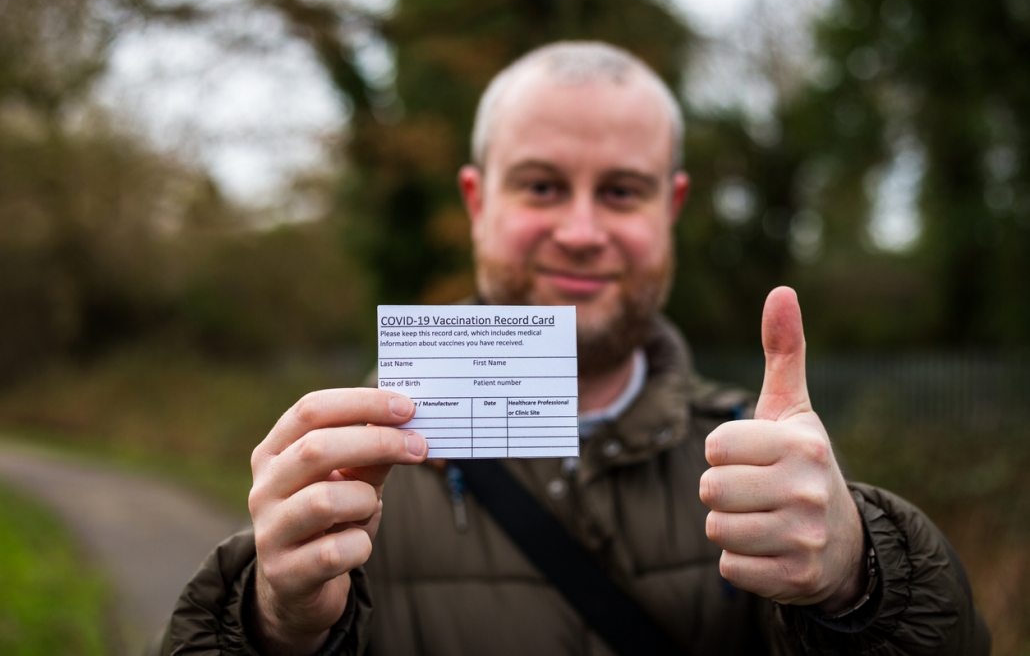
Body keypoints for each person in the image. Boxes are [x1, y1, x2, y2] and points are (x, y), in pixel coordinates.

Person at [150, 42, 990, 656]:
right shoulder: (346, 471)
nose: (581, 232)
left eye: (621, 191)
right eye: (543, 185)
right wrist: (271, 624)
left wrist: (860, 577)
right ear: (478, 201)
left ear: (672, 206)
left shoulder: (763, 465)